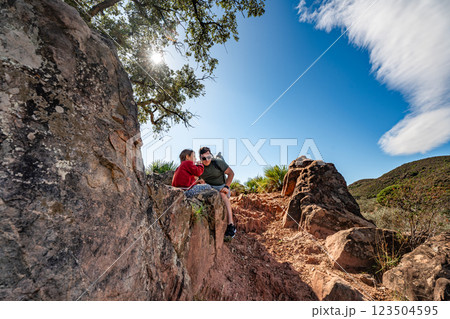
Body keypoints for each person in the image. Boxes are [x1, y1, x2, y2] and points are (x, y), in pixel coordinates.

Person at [197, 147, 236, 238]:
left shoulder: (218, 162)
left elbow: (231, 173)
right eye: (203, 158)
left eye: (209, 157)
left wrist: (226, 186)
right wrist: (201, 182)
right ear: (200, 158)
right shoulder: (198, 167)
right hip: (209, 186)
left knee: (222, 195)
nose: (206, 160)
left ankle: (231, 225)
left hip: (222, 186)